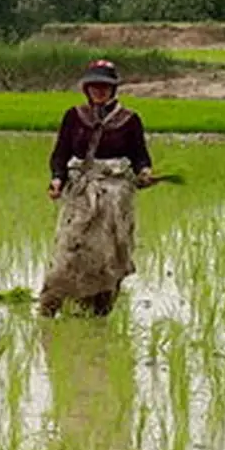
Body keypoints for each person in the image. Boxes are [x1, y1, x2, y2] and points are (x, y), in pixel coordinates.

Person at [39, 59, 152, 318]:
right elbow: (60, 155)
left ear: (114, 90)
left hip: (115, 195)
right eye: (94, 86)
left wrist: (144, 172)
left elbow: (140, 157)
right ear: (86, 89)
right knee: (70, 248)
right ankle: (50, 305)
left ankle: (101, 309)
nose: (99, 91)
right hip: (81, 193)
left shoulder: (129, 120)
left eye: (105, 86)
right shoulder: (74, 117)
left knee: (108, 254)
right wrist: (57, 179)